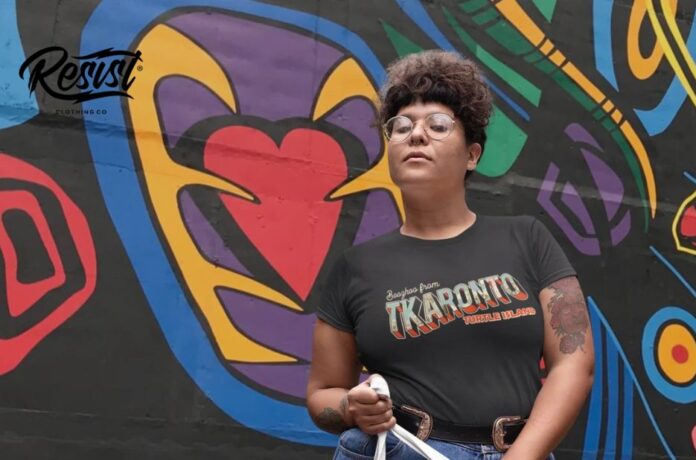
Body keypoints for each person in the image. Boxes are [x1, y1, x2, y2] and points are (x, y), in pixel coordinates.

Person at [306, 50, 594, 459]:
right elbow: (322, 393)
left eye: (438, 125)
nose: (416, 135)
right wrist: (351, 407)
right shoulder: (355, 269)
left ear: (472, 155)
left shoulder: (528, 239)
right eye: (401, 126)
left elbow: (574, 364)